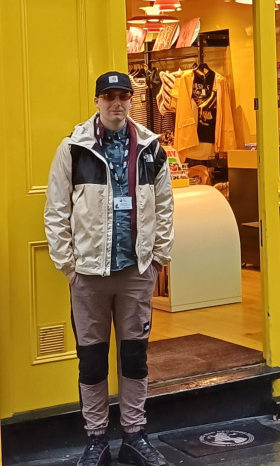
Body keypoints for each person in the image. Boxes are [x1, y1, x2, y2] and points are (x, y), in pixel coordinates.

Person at [45, 71, 174, 466]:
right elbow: (56, 210)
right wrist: (69, 266)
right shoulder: (74, 148)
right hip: (88, 276)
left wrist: (156, 260)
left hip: (135, 273)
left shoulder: (152, 149)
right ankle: (96, 438)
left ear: (131, 100)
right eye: (109, 97)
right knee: (93, 359)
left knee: (135, 356)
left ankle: (134, 435)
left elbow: (165, 207)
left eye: (124, 97)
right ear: (97, 101)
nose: (117, 104)